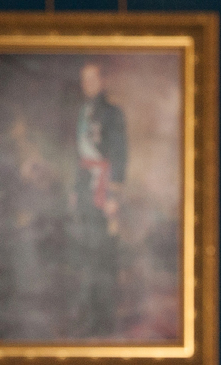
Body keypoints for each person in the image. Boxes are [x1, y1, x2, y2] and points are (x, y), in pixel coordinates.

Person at [71, 60, 127, 338]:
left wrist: (114, 195)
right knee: (87, 254)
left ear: (103, 81)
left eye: (92, 79)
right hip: (85, 190)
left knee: (103, 256)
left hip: (104, 191)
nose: (88, 85)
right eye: (84, 80)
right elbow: (81, 157)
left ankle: (103, 321)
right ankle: (89, 315)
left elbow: (119, 153)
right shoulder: (83, 111)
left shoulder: (113, 113)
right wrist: (75, 189)